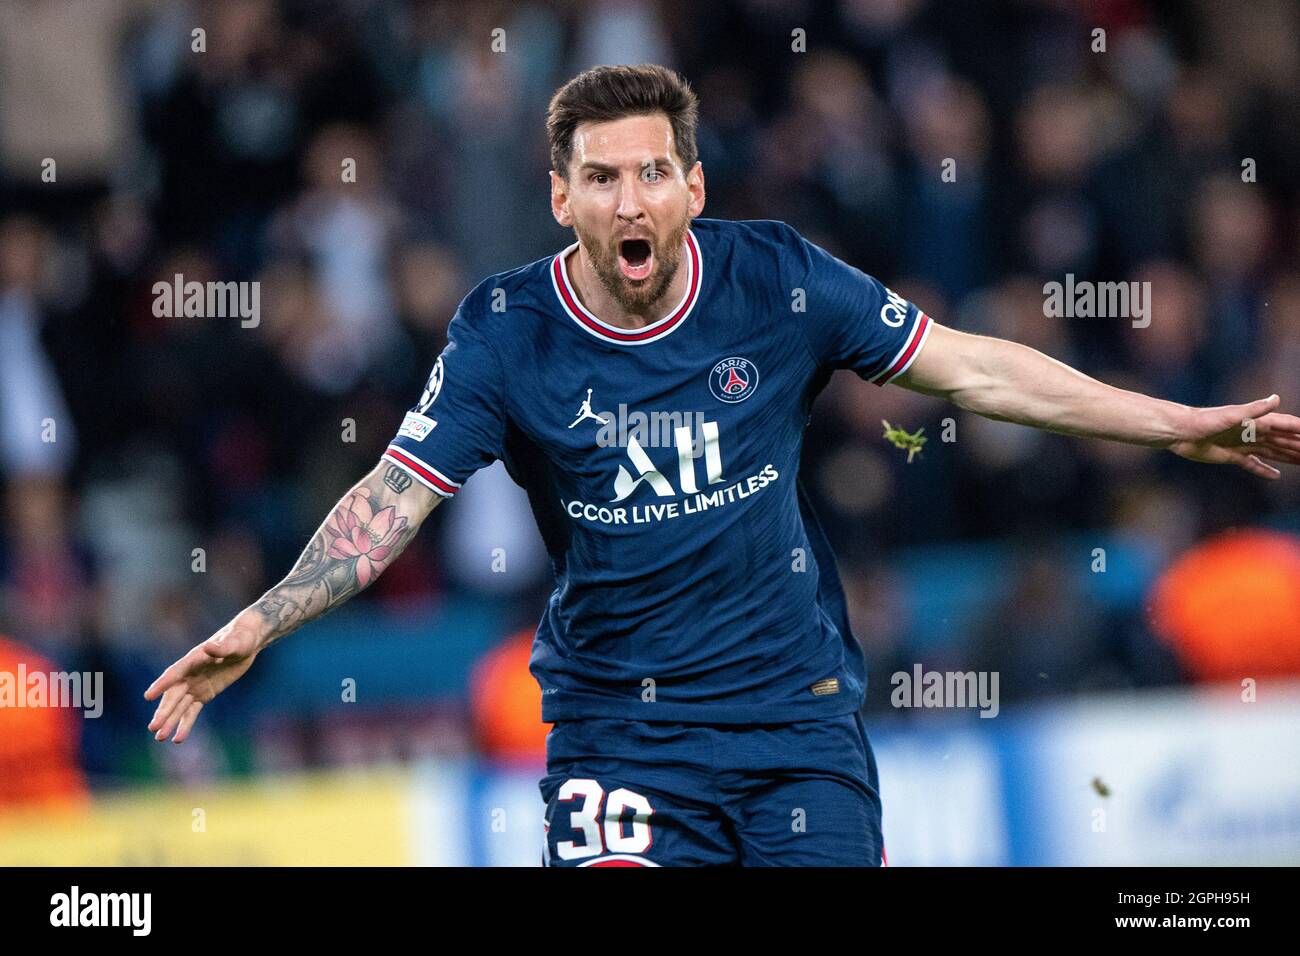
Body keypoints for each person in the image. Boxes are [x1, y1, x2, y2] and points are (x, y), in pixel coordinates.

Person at [145, 64, 1300, 866]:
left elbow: (975, 371)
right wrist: (263, 616)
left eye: (653, 172)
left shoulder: (777, 280)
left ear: (694, 186)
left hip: (793, 724)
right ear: (562, 199)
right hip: (619, 734)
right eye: (600, 177)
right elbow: (388, 501)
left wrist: (1176, 424)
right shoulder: (505, 332)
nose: (629, 197)